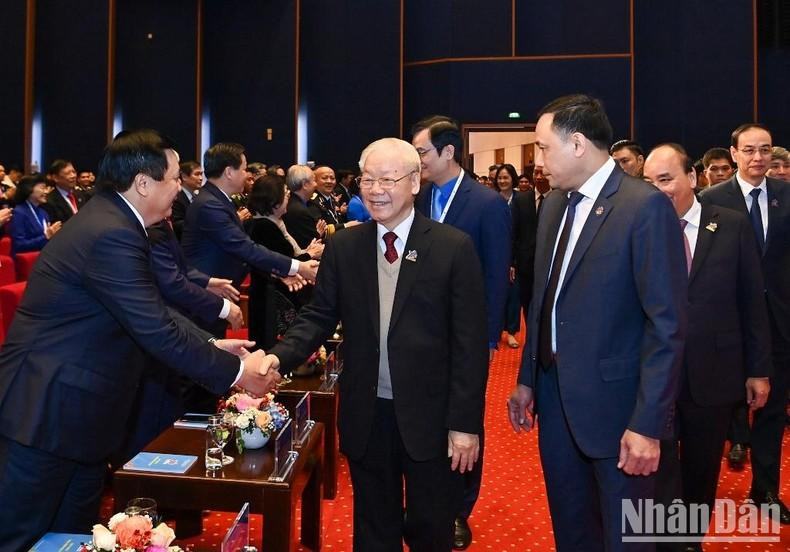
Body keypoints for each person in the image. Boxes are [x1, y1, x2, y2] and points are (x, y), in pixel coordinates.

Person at [0, 129, 279, 550]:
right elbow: (154, 327)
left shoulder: (117, 223)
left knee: (71, 536)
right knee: (24, 536)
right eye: (172, 178)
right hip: (47, 412)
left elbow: (151, 309)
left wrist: (212, 345)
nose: (182, 187)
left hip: (82, 414)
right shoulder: (111, 232)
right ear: (143, 183)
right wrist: (239, 373)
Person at [259, 137, 488, 550]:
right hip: (368, 413)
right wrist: (276, 356)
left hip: (431, 418)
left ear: (415, 182)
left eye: (388, 179)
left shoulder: (453, 247)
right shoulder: (346, 246)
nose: (375, 189)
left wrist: (465, 424)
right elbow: (317, 317)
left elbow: (470, 346)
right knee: (372, 530)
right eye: (367, 179)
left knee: (430, 527)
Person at [507, 94, 687, 552]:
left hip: (619, 413)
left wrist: (648, 424)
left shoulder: (643, 207)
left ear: (579, 143)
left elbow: (666, 325)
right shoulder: (552, 206)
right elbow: (543, 299)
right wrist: (528, 378)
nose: (539, 160)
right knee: (572, 531)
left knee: (626, 540)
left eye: (544, 148)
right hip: (555, 403)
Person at [644, 143, 772, 548]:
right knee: (657, 467)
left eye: (665, 180)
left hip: (713, 372)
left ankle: (688, 540)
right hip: (654, 375)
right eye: (648, 183)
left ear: (693, 178)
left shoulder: (731, 224)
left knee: (701, 468)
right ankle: (660, 539)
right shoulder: (641, 226)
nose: (657, 190)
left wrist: (758, 369)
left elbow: (752, 301)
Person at [411, 115, 511, 549]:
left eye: (422, 153)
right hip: (417, 335)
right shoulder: (417, 198)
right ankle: (424, 502)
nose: (418, 161)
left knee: (464, 423)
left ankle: (458, 510)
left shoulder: (487, 203)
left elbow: (495, 276)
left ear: (448, 152)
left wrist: (488, 338)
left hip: (465, 337)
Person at [700, 123, 790, 523]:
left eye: (765, 150)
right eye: (750, 150)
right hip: (727, 324)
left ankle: (766, 491)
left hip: (779, 323)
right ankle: (701, 496)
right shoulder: (710, 200)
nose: (758, 158)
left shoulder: (787, 196)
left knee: (772, 412)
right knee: (719, 409)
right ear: (733, 154)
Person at [181, 142, 319, 338]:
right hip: (206, 293)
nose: (248, 175)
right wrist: (298, 267)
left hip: (218, 292)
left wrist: (279, 273)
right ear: (229, 172)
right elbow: (244, 248)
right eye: (244, 169)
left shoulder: (218, 200)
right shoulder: (210, 205)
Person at [247, 174, 323, 349]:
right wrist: (309, 255)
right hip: (273, 299)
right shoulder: (264, 227)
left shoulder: (275, 223)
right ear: (274, 201)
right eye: (285, 194)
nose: (288, 197)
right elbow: (281, 263)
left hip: (279, 294)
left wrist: (308, 252)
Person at [495, 163, 524, 348]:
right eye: (499, 177)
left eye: (506, 177)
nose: (502, 180)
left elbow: (522, 232)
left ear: (513, 178)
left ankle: (511, 332)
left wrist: (513, 261)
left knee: (514, 297)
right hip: (494, 255)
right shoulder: (490, 199)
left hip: (515, 257)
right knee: (495, 294)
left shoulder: (521, 200)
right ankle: (495, 330)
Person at [10, 173, 62, 255]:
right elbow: (19, 245)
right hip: (27, 261)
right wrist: (46, 237)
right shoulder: (19, 213)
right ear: (29, 189)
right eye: (43, 188)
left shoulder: (43, 212)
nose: (46, 192)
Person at [282, 164, 327, 248]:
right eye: (314, 180)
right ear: (305, 184)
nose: (315, 184)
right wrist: (317, 234)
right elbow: (312, 244)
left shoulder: (294, 202)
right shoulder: (299, 211)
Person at [43, 159, 86, 224]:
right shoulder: (49, 201)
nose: (73, 176)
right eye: (68, 173)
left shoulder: (80, 194)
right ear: (55, 178)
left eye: (74, 172)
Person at [171, 160, 203, 240]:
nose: (201, 178)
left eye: (201, 174)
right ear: (184, 177)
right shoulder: (176, 197)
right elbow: (177, 225)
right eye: (197, 174)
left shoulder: (198, 196)